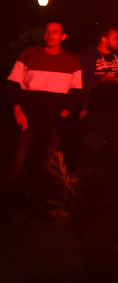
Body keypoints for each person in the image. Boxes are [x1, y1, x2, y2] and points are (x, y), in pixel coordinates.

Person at [4, 22, 82, 219]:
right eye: (47, 31)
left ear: (63, 36)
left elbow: (76, 90)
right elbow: (12, 83)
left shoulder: (71, 60)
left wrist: (64, 113)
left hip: (54, 121)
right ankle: (7, 207)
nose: (50, 34)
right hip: (29, 118)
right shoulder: (29, 54)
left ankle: (40, 208)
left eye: (55, 32)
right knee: (18, 163)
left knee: (45, 165)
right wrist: (17, 109)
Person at [79, 27, 118, 119]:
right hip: (92, 108)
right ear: (104, 39)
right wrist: (102, 80)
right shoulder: (87, 56)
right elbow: (81, 83)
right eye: (116, 38)